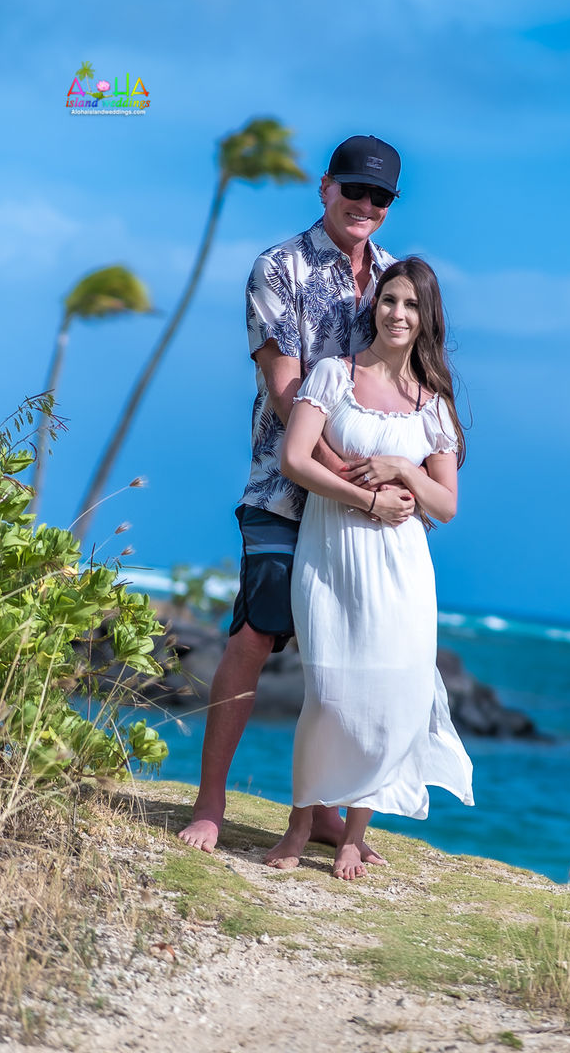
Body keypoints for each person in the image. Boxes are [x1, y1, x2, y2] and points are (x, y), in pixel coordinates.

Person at [179, 135, 405, 855]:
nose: (364, 205)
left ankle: (325, 812)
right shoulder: (278, 268)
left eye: (380, 196)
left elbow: (414, 385)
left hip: (365, 499)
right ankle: (210, 802)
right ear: (325, 187)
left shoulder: (398, 281)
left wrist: (407, 475)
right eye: (354, 189)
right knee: (253, 636)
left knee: (342, 652)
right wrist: (346, 471)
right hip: (283, 486)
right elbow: (284, 391)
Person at [264, 258, 475, 879]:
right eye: (389, 301)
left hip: (403, 570)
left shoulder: (432, 407)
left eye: (411, 305)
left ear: (427, 318)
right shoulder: (333, 375)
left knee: (392, 699)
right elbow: (296, 458)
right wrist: (368, 498)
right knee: (329, 696)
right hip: (331, 554)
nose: (398, 314)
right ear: (374, 306)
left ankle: (355, 832)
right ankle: (302, 822)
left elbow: (446, 505)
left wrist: (405, 471)